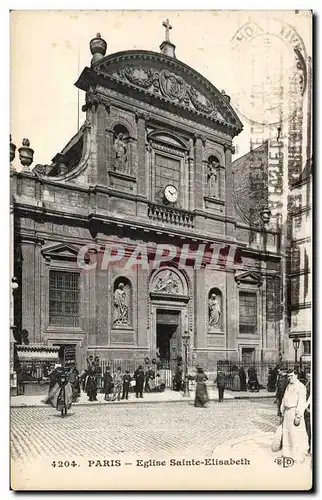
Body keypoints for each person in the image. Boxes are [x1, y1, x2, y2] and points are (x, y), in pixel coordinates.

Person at [280, 368, 308, 463]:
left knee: (296, 435)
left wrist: (298, 416)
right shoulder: (288, 386)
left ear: (296, 375)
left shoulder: (300, 387)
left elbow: (301, 402)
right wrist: (282, 410)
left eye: (291, 375)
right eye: (288, 376)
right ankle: (288, 454)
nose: (290, 378)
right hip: (287, 413)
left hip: (294, 412)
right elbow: (284, 398)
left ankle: (298, 457)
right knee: (287, 434)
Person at [304, 372, 311, 454]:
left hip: (309, 409)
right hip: (306, 410)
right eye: (307, 376)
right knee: (308, 430)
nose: (308, 377)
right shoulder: (307, 384)